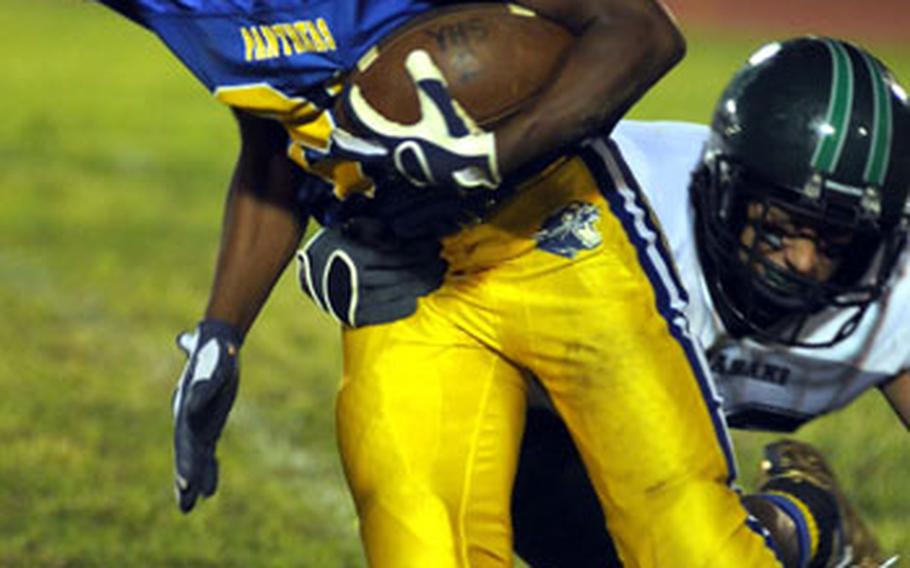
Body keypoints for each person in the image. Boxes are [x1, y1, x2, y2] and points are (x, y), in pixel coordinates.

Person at [97, 1, 797, 566]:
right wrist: (221, 332)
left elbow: (641, 30)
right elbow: (274, 135)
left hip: (556, 236)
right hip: (402, 286)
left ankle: (802, 525)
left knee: (685, 543)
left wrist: (493, 154)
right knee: (429, 549)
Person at [503, 36, 910, 568]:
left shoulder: (896, 274)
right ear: (727, 192)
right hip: (566, 408)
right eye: (779, 227)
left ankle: (797, 523)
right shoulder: (615, 204)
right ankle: (806, 519)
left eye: (835, 241)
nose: (806, 261)